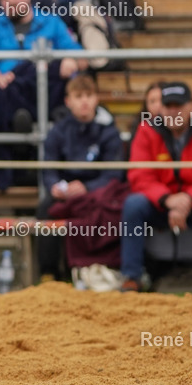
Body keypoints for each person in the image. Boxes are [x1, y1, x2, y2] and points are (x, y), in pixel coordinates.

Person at [121, 82, 192, 292]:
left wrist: (188, 199)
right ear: (160, 108)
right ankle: (132, 277)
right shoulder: (147, 130)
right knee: (133, 204)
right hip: (162, 204)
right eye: (168, 106)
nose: (173, 111)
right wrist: (167, 199)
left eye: (178, 106)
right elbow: (138, 175)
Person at [0, 0, 86, 189]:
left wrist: (70, 61)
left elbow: (81, 57)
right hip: (9, 89)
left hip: (45, 87)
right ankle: (3, 172)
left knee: (47, 69)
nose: (10, 1)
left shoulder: (51, 21)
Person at [38, 74, 124, 280]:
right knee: (45, 209)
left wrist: (87, 187)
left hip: (98, 193)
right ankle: (48, 273)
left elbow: (114, 173)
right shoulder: (58, 131)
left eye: (88, 95)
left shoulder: (109, 132)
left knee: (113, 209)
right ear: (68, 101)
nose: (84, 101)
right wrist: (55, 187)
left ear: (96, 99)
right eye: (78, 96)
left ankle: (104, 268)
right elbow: (48, 168)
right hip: (65, 194)